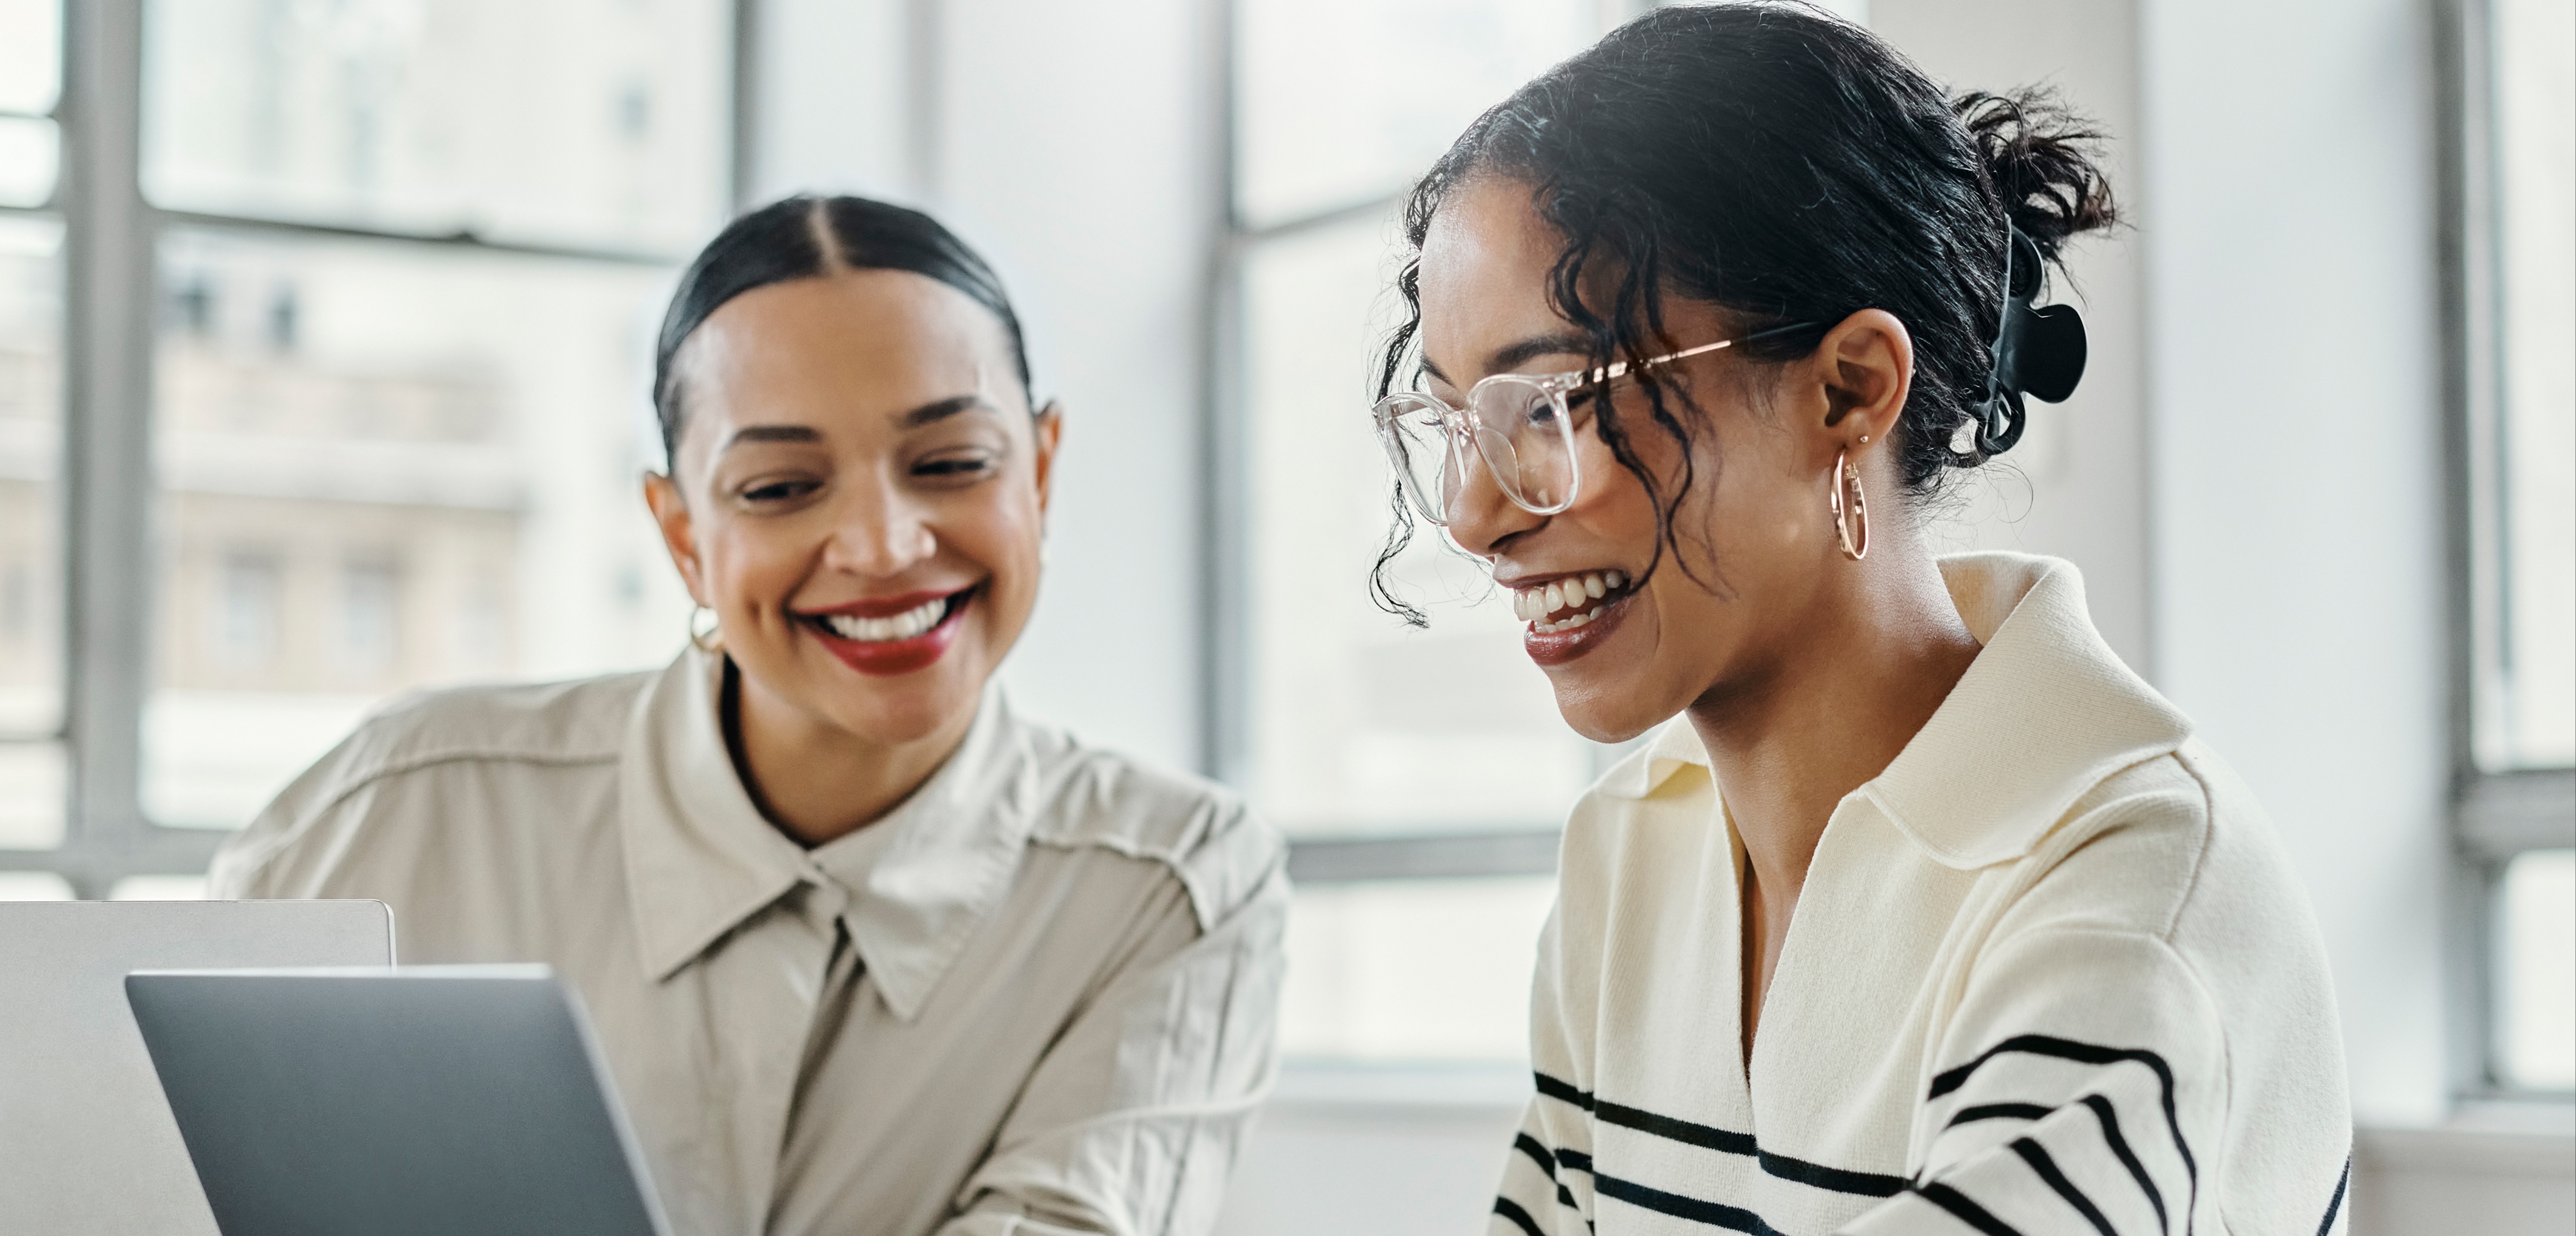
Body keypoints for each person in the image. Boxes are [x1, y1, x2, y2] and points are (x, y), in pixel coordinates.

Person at [1364, 6, 2353, 1234]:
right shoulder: (1629, 854)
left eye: (1554, 402)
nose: (1473, 517)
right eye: (1462, 420)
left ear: (1849, 389)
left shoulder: (2128, 891)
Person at [211, 194, 1287, 1236]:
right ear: (682, 536)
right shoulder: (396, 813)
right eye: (780, 487)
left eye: (951, 463)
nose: (882, 545)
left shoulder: (1172, 882)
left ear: (1040, 472)